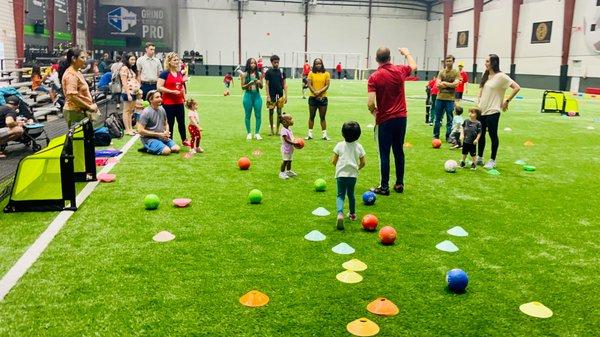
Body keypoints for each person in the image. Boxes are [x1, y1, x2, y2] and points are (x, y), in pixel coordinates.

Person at [367, 47, 417, 195]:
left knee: (384, 153)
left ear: (377, 59)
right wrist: (407, 53)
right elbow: (414, 66)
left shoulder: (374, 77)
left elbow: (370, 103)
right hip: (401, 118)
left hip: (385, 120)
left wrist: (375, 112)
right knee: (398, 151)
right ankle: (399, 184)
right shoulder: (399, 70)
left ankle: (384, 187)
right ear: (390, 58)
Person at [476, 54, 521, 169]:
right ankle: (480, 158)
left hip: (493, 111)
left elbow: (517, 87)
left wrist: (507, 100)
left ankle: (492, 160)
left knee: (492, 135)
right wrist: (478, 101)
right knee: (480, 135)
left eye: (487, 61)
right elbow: (481, 89)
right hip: (482, 110)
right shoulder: (485, 74)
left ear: (493, 63)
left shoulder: (501, 76)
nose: (485, 63)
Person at [332, 121, 366, 230]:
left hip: (341, 174)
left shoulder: (339, 145)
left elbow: (334, 161)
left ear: (342, 133)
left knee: (340, 195)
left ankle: (340, 214)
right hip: (352, 175)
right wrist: (357, 168)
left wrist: (338, 168)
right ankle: (352, 214)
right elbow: (363, 162)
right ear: (358, 134)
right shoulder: (359, 147)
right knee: (351, 194)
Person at [58, 48, 99, 127]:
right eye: (82, 57)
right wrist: (89, 107)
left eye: (85, 58)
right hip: (74, 111)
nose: (85, 60)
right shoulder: (71, 75)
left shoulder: (77, 72)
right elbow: (72, 96)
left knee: (87, 136)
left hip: (81, 110)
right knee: (79, 138)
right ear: (73, 59)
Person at [158, 52, 188, 146]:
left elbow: (181, 87)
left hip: (179, 102)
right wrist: (171, 91)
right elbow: (159, 87)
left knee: (181, 122)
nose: (177, 62)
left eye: (177, 60)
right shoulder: (164, 74)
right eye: (174, 60)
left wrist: (184, 98)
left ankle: (184, 139)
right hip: (168, 103)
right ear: (169, 62)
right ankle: (169, 140)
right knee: (170, 123)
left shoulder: (179, 73)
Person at [137, 90, 180, 155]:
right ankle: (148, 148)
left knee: (176, 148)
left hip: (161, 137)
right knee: (166, 151)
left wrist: (167, 131)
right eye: (157, 97)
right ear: (150, 100)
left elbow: (166, 123)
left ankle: (158, 146)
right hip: (149, 139)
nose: (160, 99)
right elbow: (140, 131)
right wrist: (158, 134)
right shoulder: (146, 112)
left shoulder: (162, 109)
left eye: (160, 97)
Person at [433, 55, 460, 142]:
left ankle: (448, 136)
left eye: (450, 61)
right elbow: (437, 84)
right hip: (439, 98)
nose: (448, 62)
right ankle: (436, 136)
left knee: (450, 119)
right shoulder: (441, 72)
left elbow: (456, 84)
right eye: (447, 61)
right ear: (445, 62)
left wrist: (444, 83)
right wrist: (449, 85)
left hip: (450, 99)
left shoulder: (456, 72)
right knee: (437, 118)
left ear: (453, 61)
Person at [306, 58, 331, 140]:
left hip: (323, 98)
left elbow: (327, 85)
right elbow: (309, 84)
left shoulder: (326, 74)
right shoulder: (311, 73)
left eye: (319, 63)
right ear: (314, 65)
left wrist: (319, 92)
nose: (318, 65)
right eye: (316, 64)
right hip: (313, 98)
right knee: (311, 116)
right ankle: (310, 134)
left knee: (322, 117)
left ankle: (324, 135)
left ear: (322, 64)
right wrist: (314, 92)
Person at [240, 58, 263, 140]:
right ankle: (249, 133)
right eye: (251, 63)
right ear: (248, 64)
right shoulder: (244, 74)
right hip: (248, 96)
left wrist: (259, 82)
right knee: (247, 115)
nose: (253, 64)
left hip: (257, 96)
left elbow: (261, 87)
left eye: (254, 63)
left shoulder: (259, 74)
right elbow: (242, 87)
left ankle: (257, 133)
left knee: (258, 115)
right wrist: (249, 84)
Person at [265, 55, 288, 136]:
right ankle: (271, 130)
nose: (276, 64)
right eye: (275, 62)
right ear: (271, 62)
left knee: (279, 113)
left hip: (280, 95)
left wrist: (286, 95)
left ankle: (278, 130)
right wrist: (268, 96)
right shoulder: (268, 72)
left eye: (278, 62)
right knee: (271, 112)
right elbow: (267, 84)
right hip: (271, 95)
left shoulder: (282, 72)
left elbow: (284, 84)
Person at [120, 52, 141, 135]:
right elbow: (124, 82)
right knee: (126, 111)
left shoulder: (131, 69)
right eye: (131, 59)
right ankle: (127, 129)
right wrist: (128, 94)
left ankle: (130, 128)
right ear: (127, 60)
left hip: (134, 92)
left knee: (131, 111)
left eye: (134, 59)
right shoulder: (124, 68)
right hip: (127, 92)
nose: (133, 61)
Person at [279, 114, 300, 179]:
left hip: (290, 148)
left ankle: (288, 171)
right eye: (290, 119)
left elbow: (291, 137)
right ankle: (282, 173)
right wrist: (294, 143)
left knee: (290, 161)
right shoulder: (283, 130)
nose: (292, 120)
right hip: (286, 149)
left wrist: (296, 141)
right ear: (285, 122)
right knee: (285, 161)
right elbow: (286, 139)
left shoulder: (289, 129)